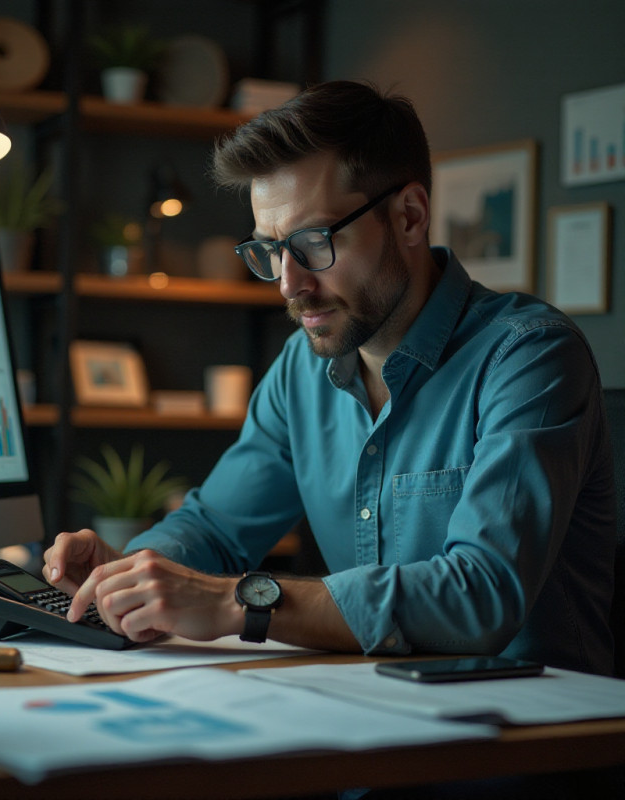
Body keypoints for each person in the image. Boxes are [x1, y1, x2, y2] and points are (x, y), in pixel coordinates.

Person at [44, 80, 616, 679]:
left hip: (532, 747)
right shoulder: (301, 368)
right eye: (269, 251)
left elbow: (481, 595)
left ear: (411, 216)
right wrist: (130, 574)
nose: (289, 284)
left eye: (313, 242)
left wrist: (234, 602)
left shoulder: (529, 357)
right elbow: (215, 527)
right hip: (368, 726)